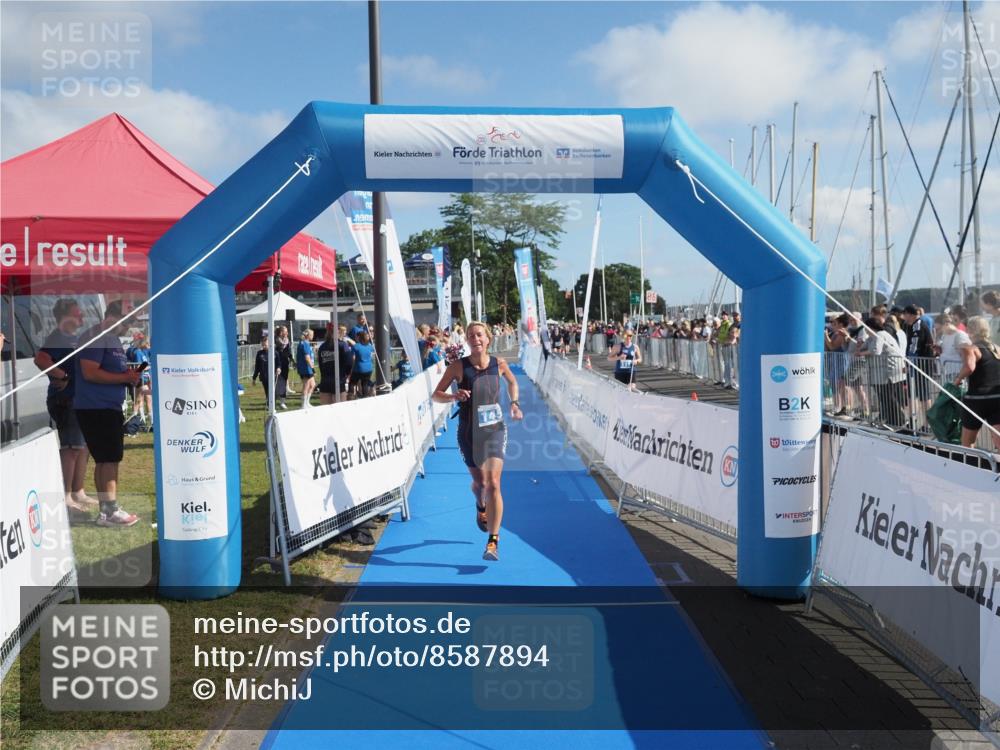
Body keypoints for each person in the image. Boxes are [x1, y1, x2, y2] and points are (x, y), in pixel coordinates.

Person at [432, 322, 523, 561]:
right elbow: (436, 395)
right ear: (467, 341)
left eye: (479, 335)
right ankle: (480, 506)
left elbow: (513, 382)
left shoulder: (499, 364)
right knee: (480, 484)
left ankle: (493, 541)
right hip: (468, 432)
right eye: (471, 336)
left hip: (494, 430)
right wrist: (454, 396)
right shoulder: (458, 366)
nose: (475, 339)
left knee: (493, 483)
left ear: (488, 338)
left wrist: (514, 404)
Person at [73, 300, 141, 528]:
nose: (129, 327)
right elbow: (90, 372)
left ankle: (106, 512)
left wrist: (127, 376)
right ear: (114, 316)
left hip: (106, 407)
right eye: (128, 321)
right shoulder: (95, 336)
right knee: (109, 460)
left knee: (105, 460)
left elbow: (108, 370)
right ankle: (111, 510)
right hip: (96, 407)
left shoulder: (111, 339)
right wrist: (124, 377)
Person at [34, 298, 98, 517]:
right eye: (77, 313)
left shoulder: (73, 338)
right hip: (66, 401)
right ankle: (66, 496)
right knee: (71, 449)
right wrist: (63, 376)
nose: (82, 316)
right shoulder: (57, 337)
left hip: (81, 400)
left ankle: (78, 492)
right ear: (65, 316)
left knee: (83, 447)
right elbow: (41, 359)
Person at [953, 316, 1000, 451]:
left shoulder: (971, 348)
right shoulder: (997, 348)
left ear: (970, 330)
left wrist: (957, 380)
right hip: (997, 398)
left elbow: (969, 367)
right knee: (998, 440)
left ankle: (969, 462)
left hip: (976, 400)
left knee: (967, 443)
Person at [252, 334, 281, 405]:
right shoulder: (259, 353)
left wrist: (278, 368)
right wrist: (254, 378)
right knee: (267, 391)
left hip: (273, 376)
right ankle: (269, 405)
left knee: (273, 391)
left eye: (265, 345)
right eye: (263, 345)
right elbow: (257, 366)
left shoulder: (275, 353)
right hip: (264, 376)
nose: (264, 346)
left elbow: (279, 363)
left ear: (270, 343)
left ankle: (272, 405)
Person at [317, 324, 340, 405]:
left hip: (326, 379)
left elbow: (320, 363)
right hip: (337, 379)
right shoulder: (341, 345)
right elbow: (348, 361)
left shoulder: (322, 346)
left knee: (326, 407)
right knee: (338, 406)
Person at [350, 330, 375, 398]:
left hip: (359, 368)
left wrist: (351, 369)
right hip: (369, 368)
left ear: (359, 337)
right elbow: (371, 355)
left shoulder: (356, 346)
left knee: (352, 383)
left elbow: (352, 358)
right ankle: (365, 397)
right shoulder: (369, 346)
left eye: (356, 337)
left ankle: (350, 397)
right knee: (365, 384)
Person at [296, 329, 316, 408]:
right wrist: (313, 368)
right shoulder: (304, 344)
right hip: (305, 368)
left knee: (312, 385)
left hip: (307, 368)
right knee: (306, 385)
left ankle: (307, 402)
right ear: (308, 335)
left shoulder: (305, 343)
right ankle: (303, 404)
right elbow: (307, 358)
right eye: (312, 334)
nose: (313, 336)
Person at [274, 326, 292, 409]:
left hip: (285, 364)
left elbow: (288, 352)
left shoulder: (287, 341)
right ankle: (273, 401)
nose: (287, 333)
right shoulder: (275, 340)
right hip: (277, 364)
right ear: (281, 332)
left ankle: (282, 402)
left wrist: (292, 360)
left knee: (283, 382)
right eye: (285, 331)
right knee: (276, 382)